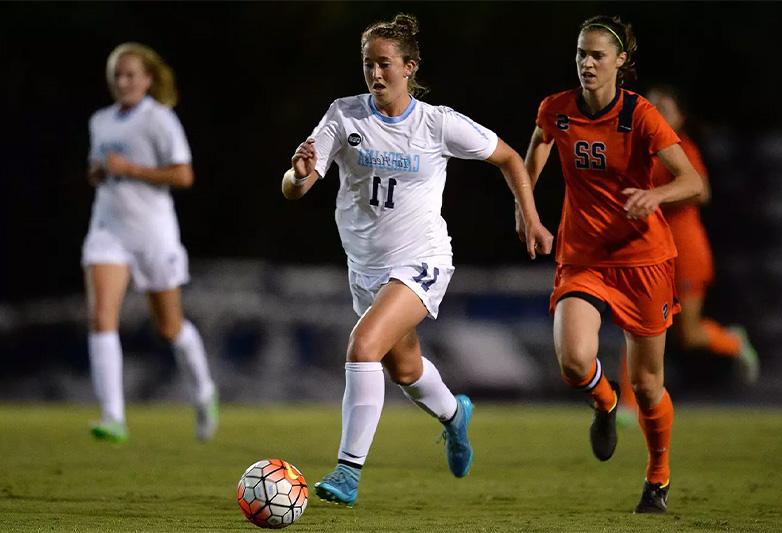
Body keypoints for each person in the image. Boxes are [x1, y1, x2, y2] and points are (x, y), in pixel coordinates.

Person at [283, 13, 553, 507]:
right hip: (366, 270)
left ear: (409, 67)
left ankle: (348, 471)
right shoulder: (344, 116)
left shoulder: (437, 123)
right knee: (405, 369)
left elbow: (511, 157)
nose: (375, 74)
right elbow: (296, 186)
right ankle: (455, 416)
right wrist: (298, 175)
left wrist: (529, 216)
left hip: (421, 261)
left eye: (385, 64)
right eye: (368, 64)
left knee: (363, 346)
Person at [518, 15, 704, 513]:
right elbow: (537, 146)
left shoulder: (640, 115)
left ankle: (658, 476)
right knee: (575, 361)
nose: (586, 63)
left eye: (597, 55)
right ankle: (604, 401)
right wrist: (527, 209)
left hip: (644, 261)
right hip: (583, 257)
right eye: (581, 53)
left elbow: (692, 182)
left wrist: (655, 194)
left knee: (647, 387)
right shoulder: (556, 109)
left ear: (621, 62)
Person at [83, 42, 218, 443]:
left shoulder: (160, 120)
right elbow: (101, 167)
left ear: (147, 79)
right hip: (107, 229)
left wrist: (132, 169)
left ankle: (204, 391)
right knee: (101, 317)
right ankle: (113, 416)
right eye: (116, 75)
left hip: (153, 232)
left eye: (130, 74)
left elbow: (183, 175)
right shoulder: (100, 121)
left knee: (169, 327)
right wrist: (99, 173)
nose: (122, 81)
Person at [616, 85, 761, 418]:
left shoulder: (680, 149)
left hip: (684, 251)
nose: (655, 112)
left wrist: (654, 197)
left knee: (689, 335)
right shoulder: (633, 149)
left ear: (680, 118)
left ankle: (731, 342)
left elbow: (701, 192)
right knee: (636, 321)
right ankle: (627, 402)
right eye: (650, 106)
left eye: (664, 107)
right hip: (649, 251)